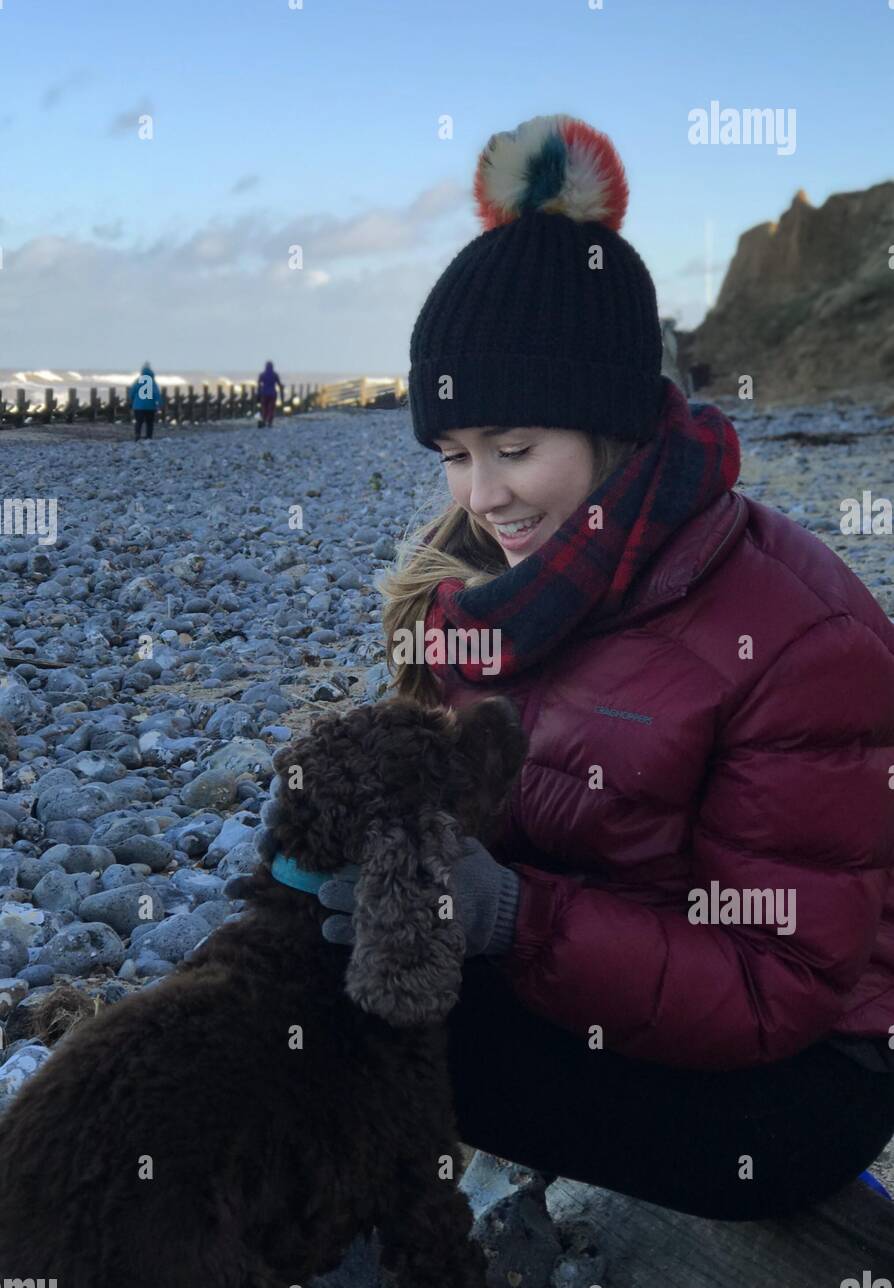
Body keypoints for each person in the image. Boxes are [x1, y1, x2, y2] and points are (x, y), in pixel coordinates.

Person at [241, 115, 894, 1223]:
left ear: (612, 425)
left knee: (349, 1046)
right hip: (598, 968)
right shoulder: (509, 592)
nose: (481, 495)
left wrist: (504, 917)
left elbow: (772, 984)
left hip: (792, 1080)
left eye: (513, 446)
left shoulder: (798, 639)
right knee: (295, 974)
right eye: (453, 455)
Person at [127, 362, 162, 440]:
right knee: (149, 423)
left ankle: (137, 435)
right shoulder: (152, 382)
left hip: (138, 406)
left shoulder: (138, 380)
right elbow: (156, 394)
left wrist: (131, 400)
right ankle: (149, 437)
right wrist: (159, 404)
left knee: (139, 422)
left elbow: (131, 392)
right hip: (150, 406)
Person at [257, 360, 284, 427]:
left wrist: (259, 392)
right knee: (271, 408)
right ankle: (270, 422)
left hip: (264, 393)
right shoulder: (275, 375)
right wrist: (282, 389)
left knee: (264, 408)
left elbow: (259, 384)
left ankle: (264, 420)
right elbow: (279, 384)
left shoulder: (262, 375)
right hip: (272, 394)